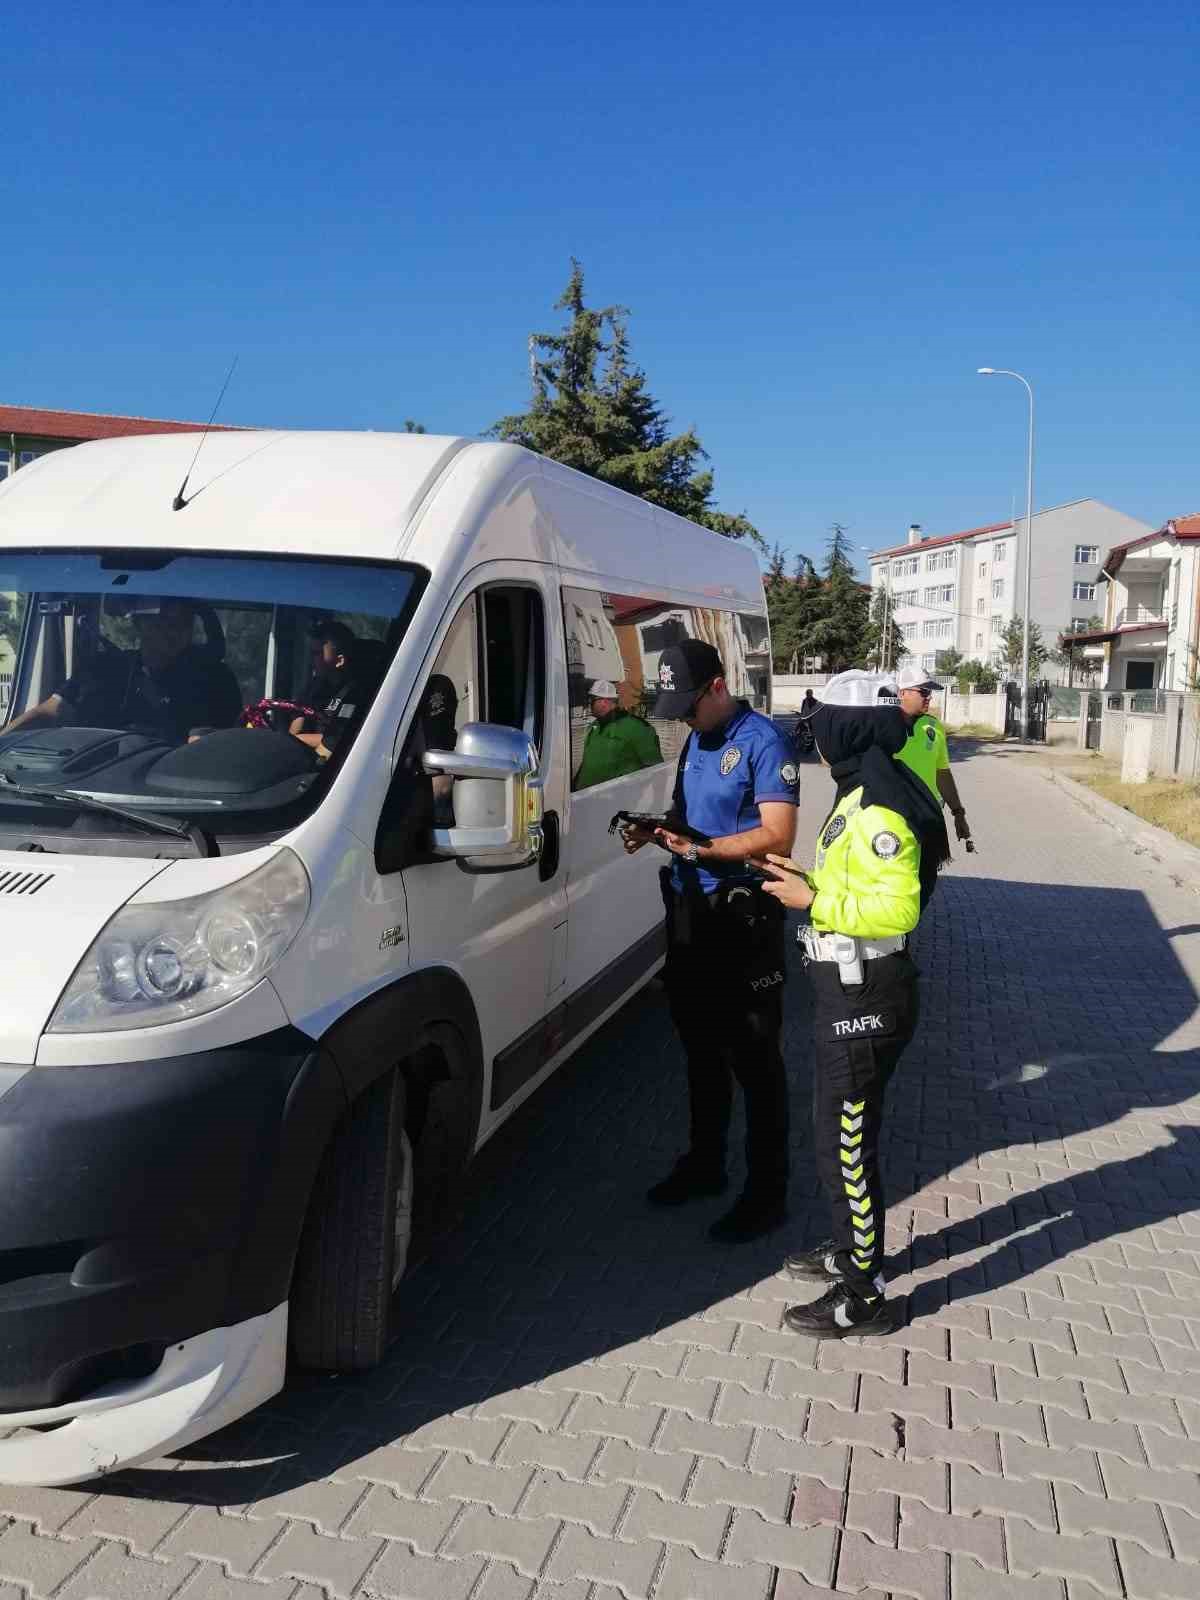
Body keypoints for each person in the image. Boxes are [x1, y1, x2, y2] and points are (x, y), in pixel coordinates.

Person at [758, 670, 949, 1336]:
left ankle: (864, 1296)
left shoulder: (878, 806)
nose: (813, 736)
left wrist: (814, 899)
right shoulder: (858, 789)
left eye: (822, 724)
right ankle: (849, 1250)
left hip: (868, 991)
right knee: (835, 1135)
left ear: (848, 728)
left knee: (846, 1145)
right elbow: (858, 881)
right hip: (846, 987)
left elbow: (898, 908)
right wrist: (804, 878)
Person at [622, 639, 800, 1242]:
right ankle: (705, 1165)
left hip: (742, 919)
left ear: (718, 687)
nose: (685, 719)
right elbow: (687, 817)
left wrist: (705, 850)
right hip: (690, 913)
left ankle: (767, 1193)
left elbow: (779, 835)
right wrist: (656, 832)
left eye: (689, 706)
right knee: (699, 1047)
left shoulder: (763, 741)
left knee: (755, 1059)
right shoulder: (697, 737)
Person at [4, 597, 241, 744]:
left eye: (183, 622)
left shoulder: (214, 681)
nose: (174, 630)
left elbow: (202, 748)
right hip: (86, 789)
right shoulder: (103, 669)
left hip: (170, 795)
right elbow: (50, 711)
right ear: (139, 623)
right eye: (163, 621)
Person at [893, 663, 972, 847]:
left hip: (928, 815)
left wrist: (958, 813)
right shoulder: (881, 725)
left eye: (930, 692)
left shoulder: (934, 727)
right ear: (902, 693)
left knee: (928, 865)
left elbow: (942, 773)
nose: (929, 697)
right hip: (893, 817)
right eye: (923, 691)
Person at [289, 619, 381, 761]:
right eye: (311, 653)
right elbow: (294, 730)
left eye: (317, 653)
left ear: (339, 661)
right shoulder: (313, 687)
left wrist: (293, 740)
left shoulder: (356, 695)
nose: (312, 660)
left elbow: (336, 741)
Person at [573, 680, 662, 789]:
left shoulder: (637, 727)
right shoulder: (594, 726)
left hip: (615, 797)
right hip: (583, 795)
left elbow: (655, 768)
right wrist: (574, 786)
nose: (589, 704)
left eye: (592, 700)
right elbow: (587, 762)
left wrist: (625, 789)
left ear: (604, 701)